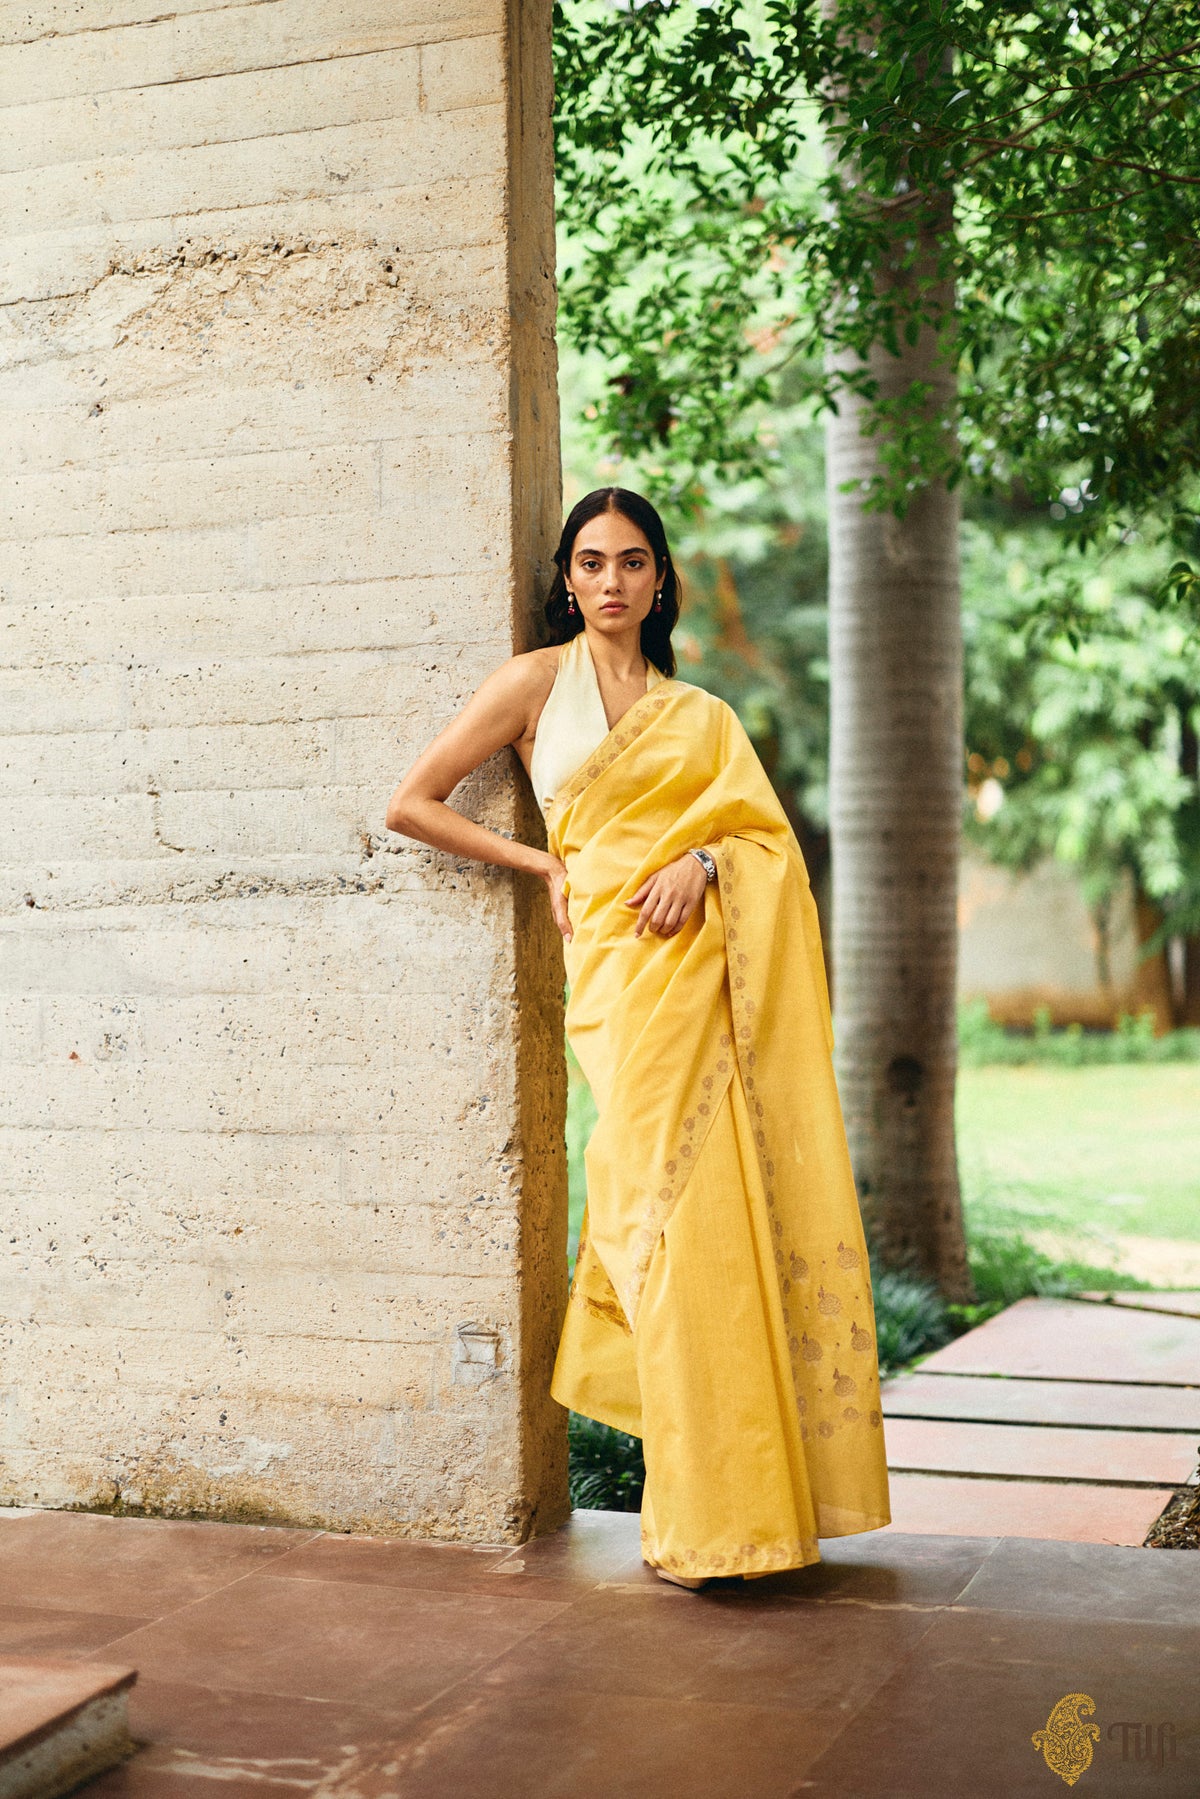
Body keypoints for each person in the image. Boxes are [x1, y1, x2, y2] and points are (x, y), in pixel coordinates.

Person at [386, 486, 891, 1589]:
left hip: (706, 980)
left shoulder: (703, 717)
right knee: (658, 1229)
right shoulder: (534, 684)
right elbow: (414, 801)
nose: (610, 580)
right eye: (590, 561)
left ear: (661, 578)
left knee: (721, 1232)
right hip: (618, 990)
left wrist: (704, 863)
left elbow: (768, 847)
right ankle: (708, 1509)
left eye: (632, 561)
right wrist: (546, 866)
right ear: (566, 578)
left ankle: (738, 1519)